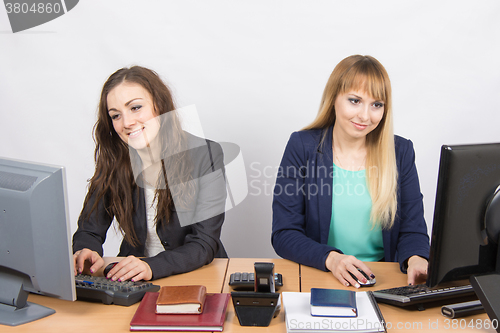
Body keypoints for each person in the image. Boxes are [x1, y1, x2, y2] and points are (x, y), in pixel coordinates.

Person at [271, 55, 430, 288]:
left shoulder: (400, 152)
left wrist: (416, 259)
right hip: (323, 274)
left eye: (377, 105)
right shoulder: (302, 146)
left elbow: (413, 229)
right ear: (334, 97)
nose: (365, 116)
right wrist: (332, 259)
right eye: (355, 101)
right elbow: (284, 233)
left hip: (381, 280)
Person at [73, 66, 227, 282]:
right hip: (132, 280)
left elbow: (204, 242)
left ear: (159, 105)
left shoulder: (204, 154)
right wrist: (86, 250)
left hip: (193, 275)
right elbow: (89, 230)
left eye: (135, 108)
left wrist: (150, 267)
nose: (126, 123)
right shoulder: (115, 159)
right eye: (116, 115)